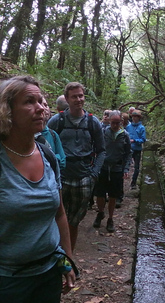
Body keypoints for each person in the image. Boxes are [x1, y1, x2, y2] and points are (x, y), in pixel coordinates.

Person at [0, 75, 76, 303]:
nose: (40, 108)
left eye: (42, 101)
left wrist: (67, 259)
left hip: (49, 275)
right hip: (5, 282)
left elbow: (60, 214)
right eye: (29, 101)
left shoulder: (48, 157)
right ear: (7, 110)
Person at [47, 82, 105, 250]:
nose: (79, 99)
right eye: (74, 96)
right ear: (66, 99)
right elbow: (44, 146)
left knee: (74, 221)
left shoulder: (93, 122)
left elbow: (101, 151)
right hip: (61, 178)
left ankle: (68, 259)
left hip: (84, 178)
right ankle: (55, 255)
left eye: (81, 95)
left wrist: (93, 174)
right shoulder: (57, 121)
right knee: (56, 218)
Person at [92, 111, 131, 233]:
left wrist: (126, 168)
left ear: (121, 122)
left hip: (116, 169)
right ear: (109, 121)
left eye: (117, 123)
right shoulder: (103, 133)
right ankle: (101, 212)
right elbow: (96, 148)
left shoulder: (125, 135)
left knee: (113, 196)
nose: (115, 125)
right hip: (103, 168)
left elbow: (128, 153)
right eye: (113, 122)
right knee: (100, 194)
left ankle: (110, 218)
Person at [39, 98, 67, 174]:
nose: (44, 108)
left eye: (46, 105)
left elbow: (63, 162)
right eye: (41, 105)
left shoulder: (53, 134)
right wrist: (55, 157)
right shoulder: (29, 134)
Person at [125, 110, 146, 189]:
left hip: (137, 149)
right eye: (133, 116)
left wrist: (135, 140)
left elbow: (143, 139)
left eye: (136, 117)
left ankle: (133, 183)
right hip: (128, 149)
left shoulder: (141, 128)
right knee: (126, 165)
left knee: (136, 167)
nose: (134, 118)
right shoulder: (128, 127)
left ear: (139, 118)